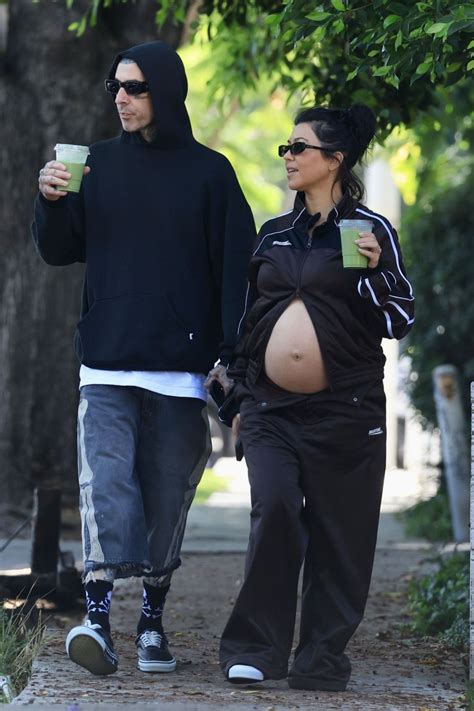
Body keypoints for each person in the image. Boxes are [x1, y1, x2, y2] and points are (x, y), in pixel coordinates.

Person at [32, 40, 255, 677]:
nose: (122, 99)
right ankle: (97, 621)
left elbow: (233, 274)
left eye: (134, 87)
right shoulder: (95, 165)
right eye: (115, 88)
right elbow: (59, 250)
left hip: (183, 374)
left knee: (165, 503)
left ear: (166, 91)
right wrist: (50, 203)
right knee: (106, 491)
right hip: (105, 364)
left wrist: (230, 358)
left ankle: (151, 625)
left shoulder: (211, 174)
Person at [218, 104, 415, 692]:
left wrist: (375, 273)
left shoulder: (369, 231)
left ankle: (321, 659)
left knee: (341, 534)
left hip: (346, 411)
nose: (289, 157)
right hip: (271, 408)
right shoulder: (273, 233)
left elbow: (400, 317)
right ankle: (255, 647)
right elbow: (251, 316)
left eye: (299, 148)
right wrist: (233, 383)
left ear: (335, 160)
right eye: (286, 147)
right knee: (274, 509)